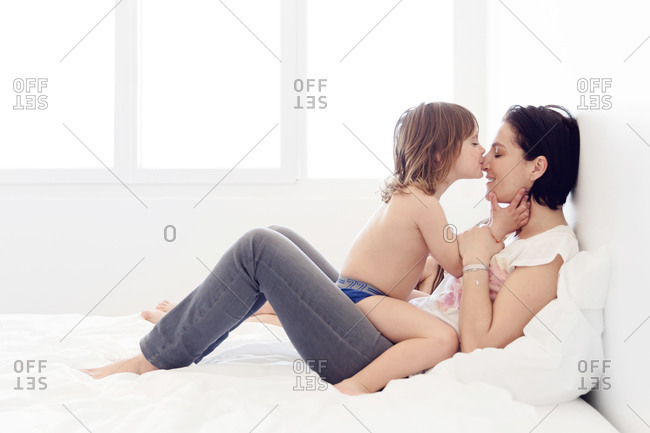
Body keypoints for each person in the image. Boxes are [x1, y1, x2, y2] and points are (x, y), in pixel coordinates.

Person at [83, 102, 527, 395]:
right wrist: (497, 228)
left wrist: (491, 230)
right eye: (473, 142)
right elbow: (457, 261)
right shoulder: (426, 204)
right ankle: (158, 352)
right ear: (439, 154)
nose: (482, 152)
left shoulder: (417, 198)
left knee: (267, 241)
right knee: (269, 240)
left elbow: (452, 263)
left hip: (356, 320)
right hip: (357, 315)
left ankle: (188, 328)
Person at [409, 104, 581, 356]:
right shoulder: (508, 230)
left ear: (536, 168)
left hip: (403, 348)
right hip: (408, 331)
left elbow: (479, 344)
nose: (484, 162)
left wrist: (476, 259)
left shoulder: (549, 251)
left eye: (498, 154)